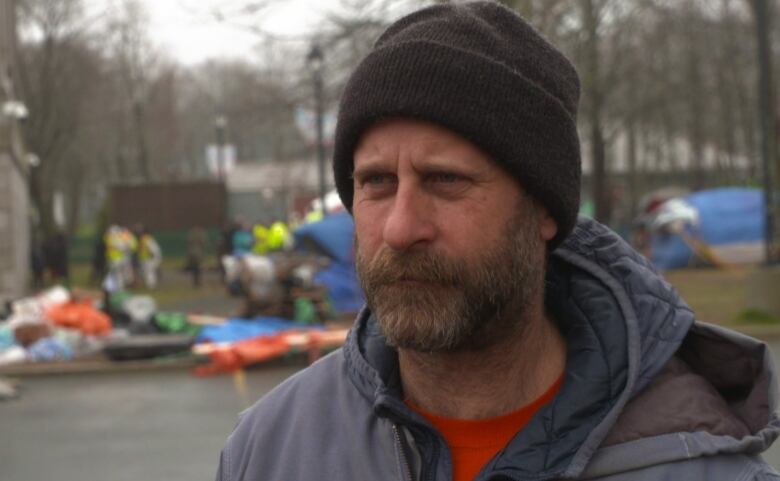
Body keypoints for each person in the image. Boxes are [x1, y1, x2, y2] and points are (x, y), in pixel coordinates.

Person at [216, 3, 780, 481]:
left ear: (542, 210)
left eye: (446, 180)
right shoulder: (267, 452)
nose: (400, 228)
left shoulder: (700, 465)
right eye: (376, 183)